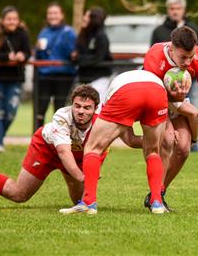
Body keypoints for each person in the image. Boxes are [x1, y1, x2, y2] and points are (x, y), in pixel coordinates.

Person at [0, 85, 113, 205]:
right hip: (46, 149)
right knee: (18, 194)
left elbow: (108, 145)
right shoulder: (62, 116)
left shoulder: (102, 122)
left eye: (87, 107)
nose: (81, 111)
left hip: (76, 156)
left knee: (79, 202)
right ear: (71, 105)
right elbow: (63, 152)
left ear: (95, 108)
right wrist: (82, 176)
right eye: (77, 106)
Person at [59, 70, 169, 215]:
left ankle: (88, 202)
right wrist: (157, 141)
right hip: (158, 92)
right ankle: (157, 203)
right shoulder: (149, 78)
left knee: (93, 148)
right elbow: (131, 140)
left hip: (126, 91)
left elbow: (126, 138)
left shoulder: (110, 96)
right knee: (153, 151)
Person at [143, 26, 198, 211]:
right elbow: (152, 95)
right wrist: (181, 109)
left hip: (177, 102)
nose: (188, 62)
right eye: (183, 57)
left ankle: (159, 192)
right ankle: (155, 199)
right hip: (153, 98)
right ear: (171, 48)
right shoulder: (155, 55)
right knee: (168, 140)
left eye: (191, 57)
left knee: (184, 149)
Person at [151, 0, 198, 152]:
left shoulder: (195, 29)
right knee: (166, 108)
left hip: (190, 79)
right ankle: (165, 137)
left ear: (184, 10)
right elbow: (154, 52)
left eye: (178, 8)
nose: (175, 12)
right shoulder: (159, 31)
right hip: (165, 81)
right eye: (172, 9)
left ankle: (192, 141)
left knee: (191, 106)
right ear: (168, 10)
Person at [0, 6, 31, 152]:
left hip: (15, 78)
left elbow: (28, 51)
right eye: (9, 19)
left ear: (18, 20)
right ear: (3, 20)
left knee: (11, 112)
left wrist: (22, 56)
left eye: (14, 19)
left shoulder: (23, 33)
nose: (12, 21)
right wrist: (8, 57)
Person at [35, 2, 77, 128]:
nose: (52, 16)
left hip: (63, 75)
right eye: (50, 13)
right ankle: (38, 138)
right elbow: (39, 54)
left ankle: (59, 138)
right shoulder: (44, 32)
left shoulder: (68, 32)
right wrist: (39, 50)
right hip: (44, 75)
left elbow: (73, 54)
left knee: (60, 109)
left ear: (62, 15)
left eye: (55, 13)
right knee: (40, 108)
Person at [72, 6, 112, 108]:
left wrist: (79, 59)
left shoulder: (101, 36)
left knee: (96, 108)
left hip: (99, 78)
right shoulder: (84, 35)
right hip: (84, 79)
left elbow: (98, 58)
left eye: (87, 16)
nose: (84, 18)